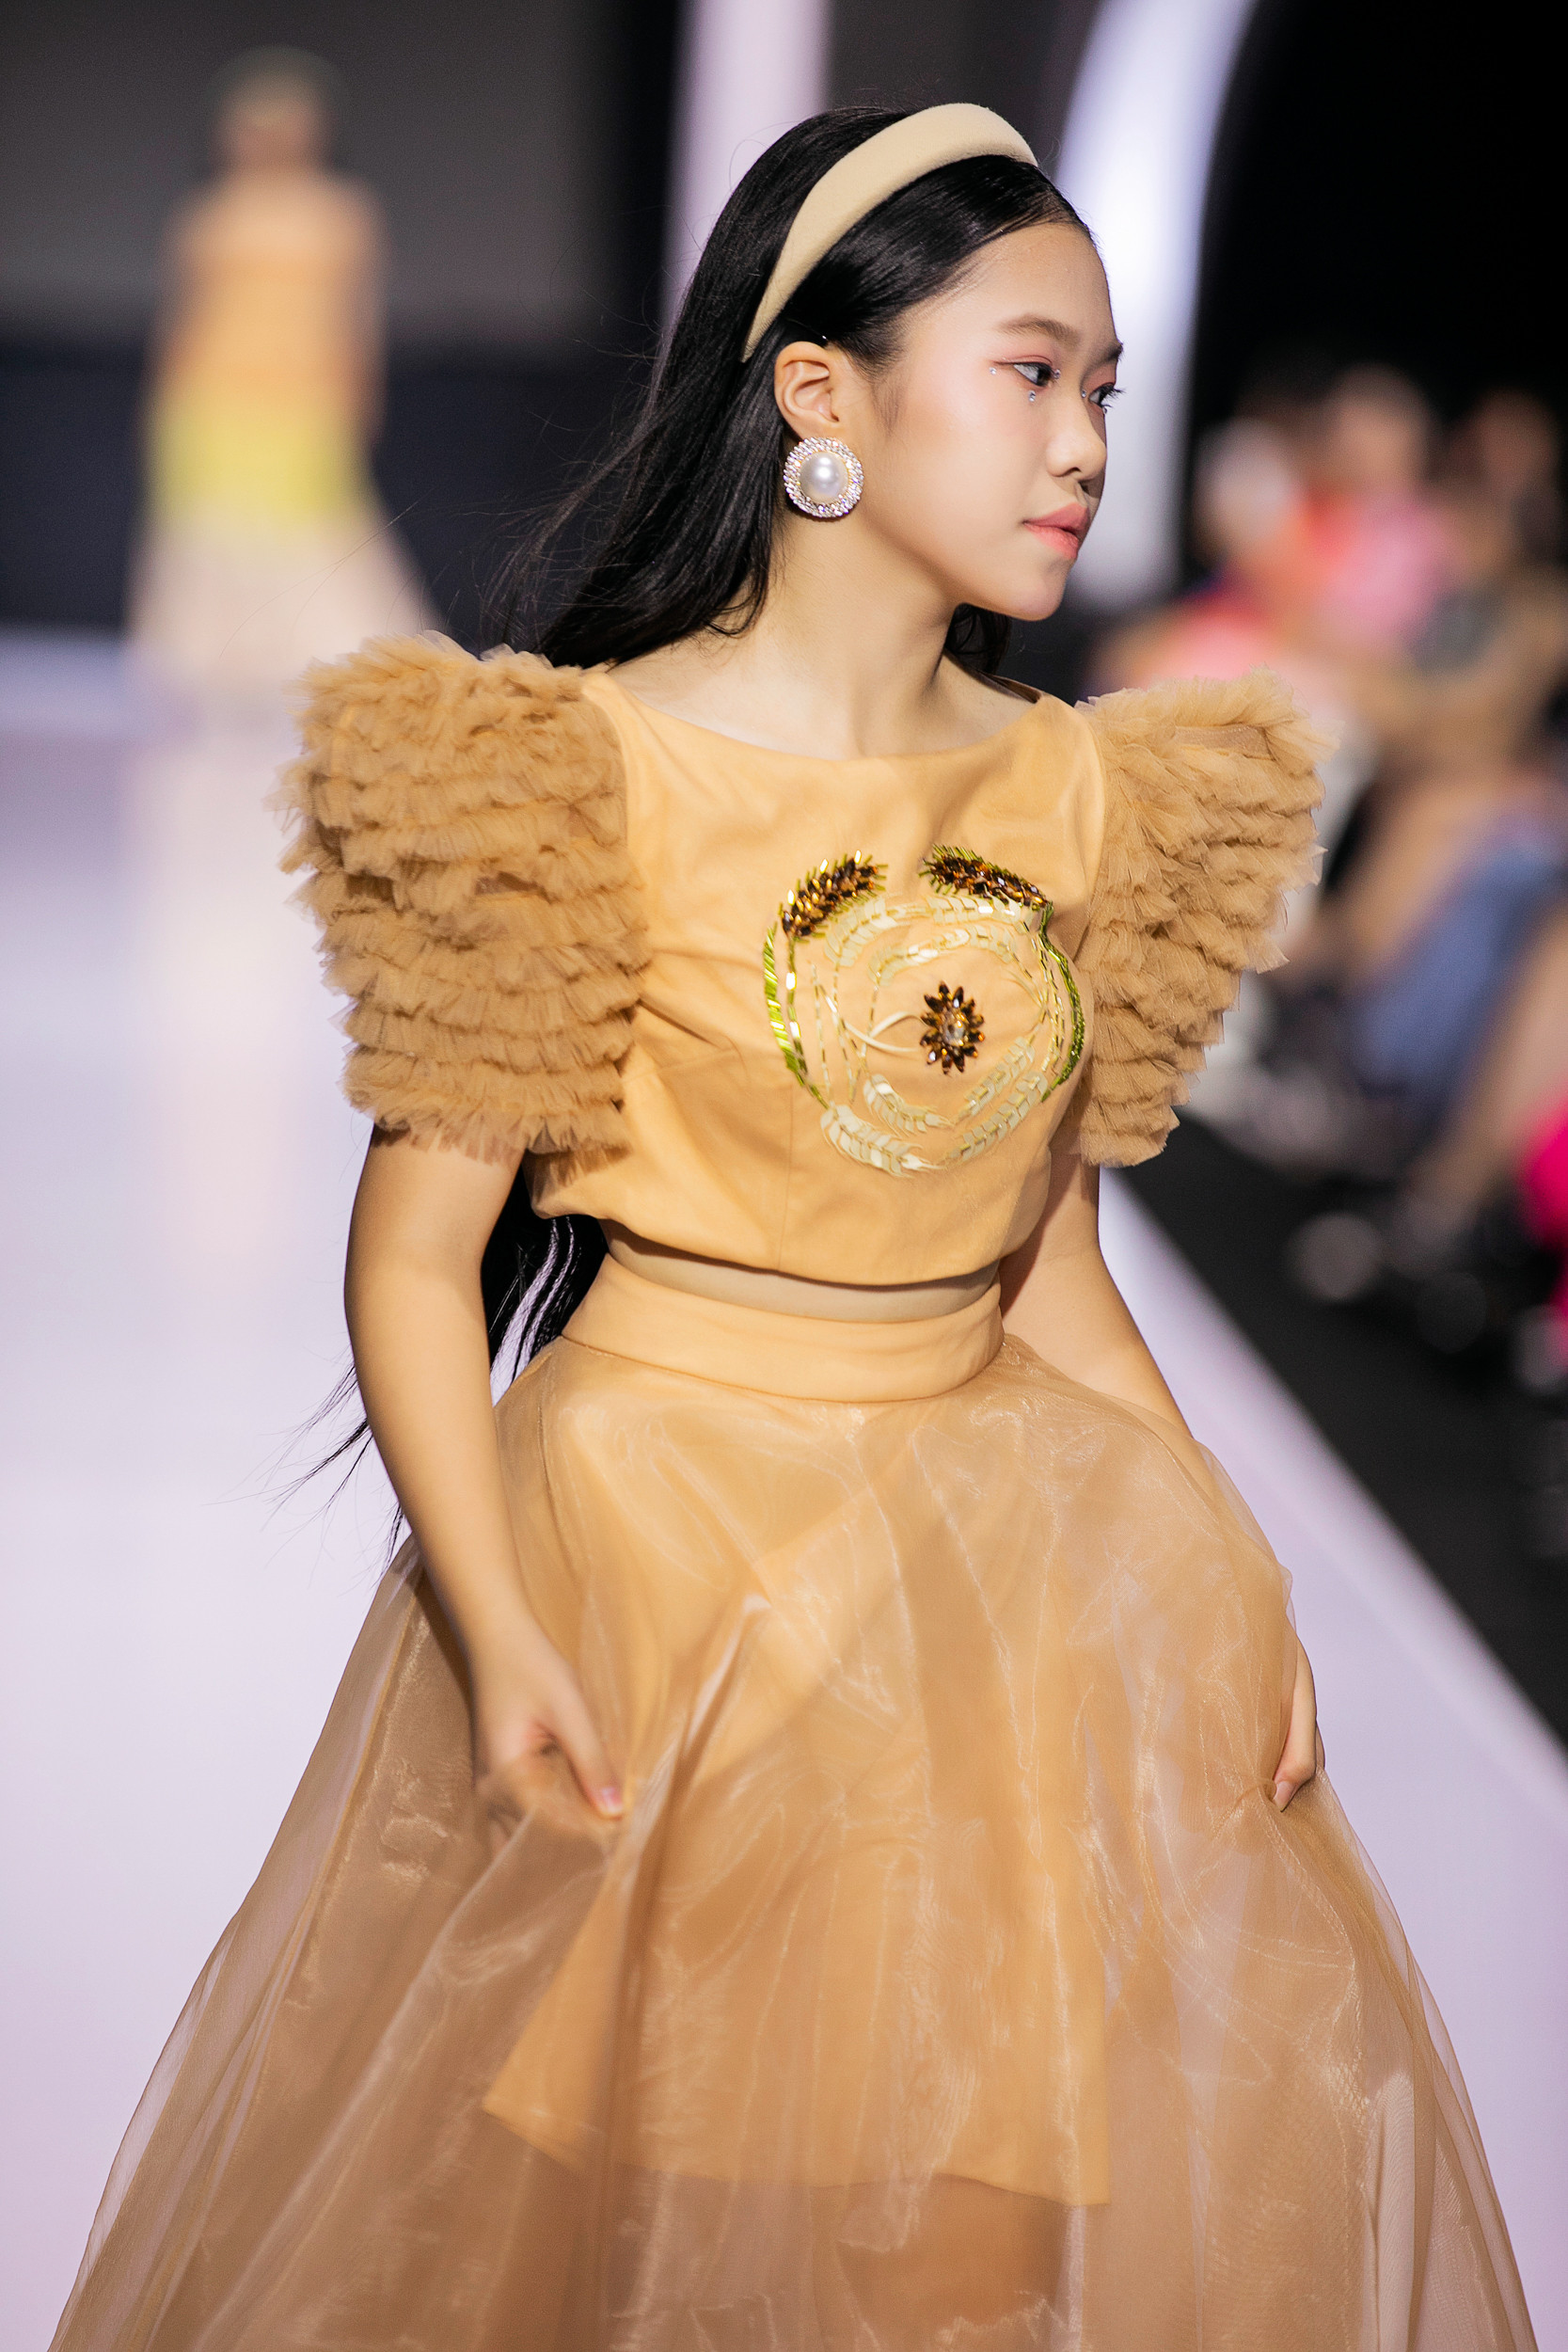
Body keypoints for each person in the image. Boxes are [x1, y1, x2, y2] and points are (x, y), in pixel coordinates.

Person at [53, 105, 1534, 2348]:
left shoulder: (1080, 785)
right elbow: (417, 1257)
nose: (1083, 443)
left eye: (1102, 386)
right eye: (1027, 373)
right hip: (658, 1566)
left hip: (993, 1595)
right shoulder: (572, 773)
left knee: (951, 2236)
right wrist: (501, 1617)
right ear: (821, 391)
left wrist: (1225, 1565)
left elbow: (1048, 1262)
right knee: (624, 2233)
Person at [130, 49, 434, 697]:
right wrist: (162, 399)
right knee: (211, 524)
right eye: (251, 124)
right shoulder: (210, 212)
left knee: (308, 522)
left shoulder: (341, 211)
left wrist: (360, 392)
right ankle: (217, 661)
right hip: (212, 394)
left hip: (304, 396)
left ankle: (317, 657)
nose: (264, 139)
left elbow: (358, 316)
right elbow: (182, 315)